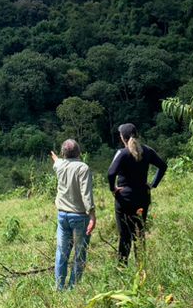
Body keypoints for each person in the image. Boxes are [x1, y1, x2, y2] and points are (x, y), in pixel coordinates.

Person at [105, 123, 166, 262]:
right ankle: (141, 267)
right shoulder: (147, 151)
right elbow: (163, 166)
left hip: (125, 198)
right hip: (143, 196)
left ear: (122, 138)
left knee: (125, 234)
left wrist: (112, 189)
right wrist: (152, 184)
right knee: (140, 233)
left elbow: (110, 173)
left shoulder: (122, 153)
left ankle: (122, 267)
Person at [50, 139, 95, 290]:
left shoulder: (60, 166)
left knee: (62, 253)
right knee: (79, 254)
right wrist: (92, 215)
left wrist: (56, 158)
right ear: (79, 152)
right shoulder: (83, 168)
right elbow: (86, 194)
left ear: (63, 153)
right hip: (80, 217)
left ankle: (59, 287)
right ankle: (72, 288)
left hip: (62, 216)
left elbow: (57, 162)